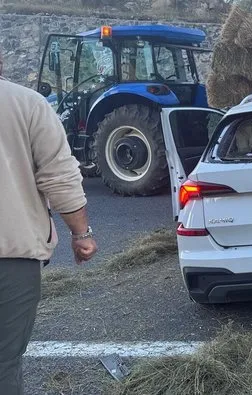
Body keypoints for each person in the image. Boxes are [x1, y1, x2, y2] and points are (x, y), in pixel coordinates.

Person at [0, 52, 98, 394]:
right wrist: (81, 234)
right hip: (11, 256)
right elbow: (59, 176)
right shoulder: (26, 104)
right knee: (3, 363)